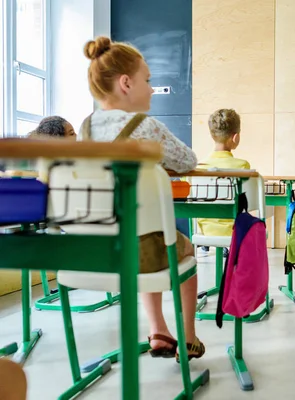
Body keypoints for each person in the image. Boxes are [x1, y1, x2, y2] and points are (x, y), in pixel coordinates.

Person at [82, 36, 204, 360]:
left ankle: (159, 331)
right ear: (125, 83)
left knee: (149, 238)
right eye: (147, 81)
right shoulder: (146, 126)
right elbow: (188, 161)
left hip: (94, 251)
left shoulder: (85, 129)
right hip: (141, 250)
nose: (151, 89)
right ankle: (188, 337)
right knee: (179, 249)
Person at [197, 109, 250, 254]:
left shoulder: (198, 168)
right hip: (233, 231)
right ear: (236, 137)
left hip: (204, 231)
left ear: (212, 135)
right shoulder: (242, 166)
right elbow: (247, 203)